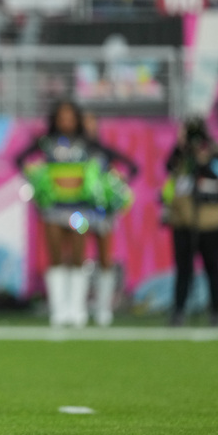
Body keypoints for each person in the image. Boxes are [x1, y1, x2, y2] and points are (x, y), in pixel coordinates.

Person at [16, 100, 102, 327]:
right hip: (53, 210)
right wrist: (34, 176)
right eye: (62, 117)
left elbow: (105, 160)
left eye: (70, 117)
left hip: (80, 210)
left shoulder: (86, 143)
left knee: (78, 255)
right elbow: (19, 159)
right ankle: (59, 308)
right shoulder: (47, 143)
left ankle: (77, 308)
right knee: (55, 257)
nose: (66, 121)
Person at [162, 117, 218, 327]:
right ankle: (179, 311)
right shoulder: (182, 154)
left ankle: (216, 311)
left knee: (213, 268)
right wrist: (181, 147)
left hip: (211, 222)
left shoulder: (215, 151)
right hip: (184, 220)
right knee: (183, 270)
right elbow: (169, 167)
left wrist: (202, 156)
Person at [81, 110, 138, 327]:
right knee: (77, 255)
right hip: (77, 212)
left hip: (102, 211)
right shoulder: (73, 152)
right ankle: (77, 306)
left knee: (105, 257)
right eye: (85, 123)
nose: (88, 128)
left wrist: (117, 182)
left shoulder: (102, 151)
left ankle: (103, 308)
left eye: (92, 124)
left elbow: (132, 167)